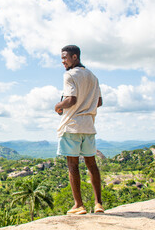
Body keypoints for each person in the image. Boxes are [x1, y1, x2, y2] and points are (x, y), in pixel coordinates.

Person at [54, 45, 104, 215]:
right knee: (92, 164)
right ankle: (98, 204)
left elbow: (71, 99)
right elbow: (99, 102)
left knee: (72, 165)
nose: (62, 61)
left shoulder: (69, 75)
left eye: (64, 57)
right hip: (88, 126)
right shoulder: (93, 76)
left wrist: (58, 106)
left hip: (72, 125)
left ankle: (79, 205)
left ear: (74, 57)